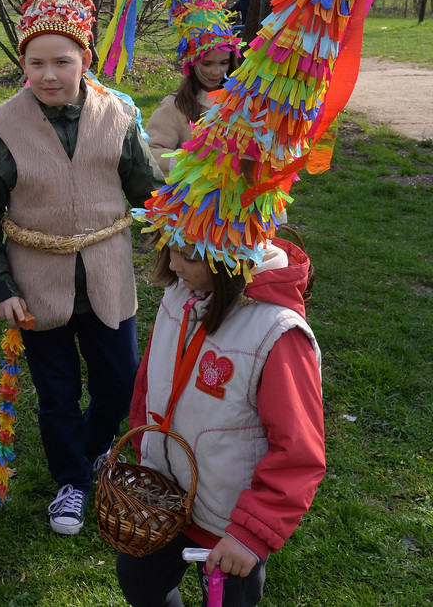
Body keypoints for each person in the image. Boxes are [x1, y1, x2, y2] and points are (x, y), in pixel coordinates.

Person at [0, 0, 164, 537]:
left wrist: (188, 212)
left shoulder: (116, 117)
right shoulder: (4, 127)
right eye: (37, 62)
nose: (49, 74)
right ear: (25, 63)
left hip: (106, 276)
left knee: (116, 380)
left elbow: (147, 186)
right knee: (56, 393)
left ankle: (98, 444)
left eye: (62, 61)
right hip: (38, 286)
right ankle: (72, 480)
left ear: (85, 58)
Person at [115, 234, 325, 606]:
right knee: (138, 581)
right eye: (171, 251)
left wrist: (250, 534)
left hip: (229, 520)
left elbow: (299, 453)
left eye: (187, 257)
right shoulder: (181, 292)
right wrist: (144, 446)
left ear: (229, 262)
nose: (175, 266)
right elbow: (152, 378)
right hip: (166, 495)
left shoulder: (277, 334)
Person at [146, 48, 234, 175]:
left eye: (224, 62)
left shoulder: (244, 100)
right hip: (193, 192)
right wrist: (188, 160)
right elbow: (149, 151)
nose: (217, 72)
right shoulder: (174, 105)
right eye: (207, 64)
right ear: (192, 63)